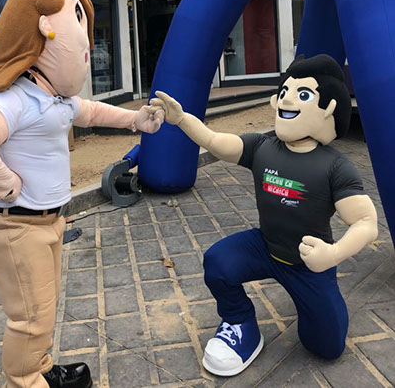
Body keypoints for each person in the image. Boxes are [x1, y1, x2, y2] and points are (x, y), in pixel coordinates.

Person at [0, 0, 164, 388]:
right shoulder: (13, 99)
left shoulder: (55, 98)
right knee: (29, 318)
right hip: (15, 227)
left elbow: (92, 112)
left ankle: (41, 367)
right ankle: (25, 379)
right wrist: (6, 184)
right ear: (43, 32)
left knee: (44, 309)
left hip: (49, 222)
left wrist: (135, 120)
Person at [152, 54, 377, 377]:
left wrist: (333, 254)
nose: (286, 100)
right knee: (219, 262)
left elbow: (366, 223)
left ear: (328, 108)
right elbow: (215, 142)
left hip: (309, 262)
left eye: (302, 94)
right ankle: (240, 322)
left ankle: (322, 309)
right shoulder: (263, 147)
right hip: (266, 247)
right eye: (285, 91)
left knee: (327, 346)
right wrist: (183, 119)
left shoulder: (335, 166)